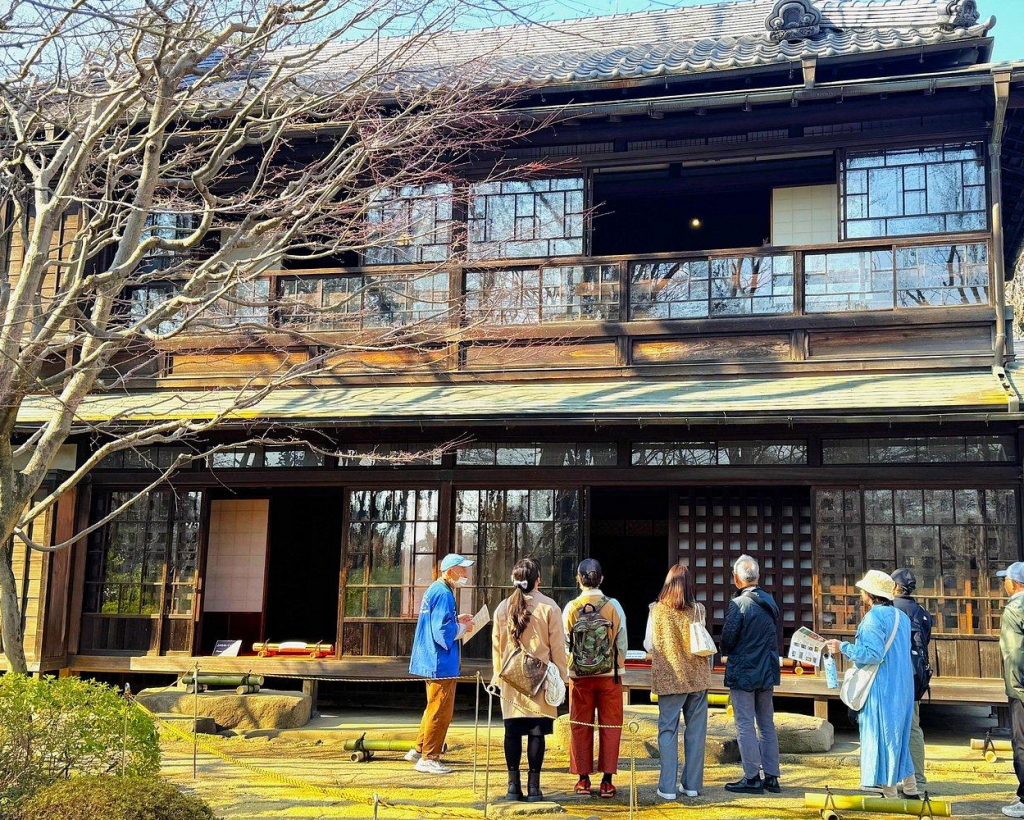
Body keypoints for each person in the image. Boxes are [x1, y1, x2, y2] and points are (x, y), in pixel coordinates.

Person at [825, 570, 914, 799]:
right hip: (902, 684)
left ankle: (888, 790)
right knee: (899, 736)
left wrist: (842, 647)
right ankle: (909, 787)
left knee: (881, 735)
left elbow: (872, 654)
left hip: (880, 685)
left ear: (869, 594)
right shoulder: (901, 617)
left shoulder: (874, 618)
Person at [491, 558, 569, 803]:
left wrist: (497, 675)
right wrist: (563, 678)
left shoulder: (502, 608)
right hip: (540, 679)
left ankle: (513, 787)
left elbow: (496, 648)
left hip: (511, 679)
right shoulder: (550, 607)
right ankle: (534, 788)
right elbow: (557, 648)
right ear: (538, 580)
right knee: (537, 734)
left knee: (512, 733)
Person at [643, 563, 710, 801]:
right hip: (697, 679)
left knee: (668, 730)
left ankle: (667, 787)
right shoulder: (699, 610)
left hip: (669, 678)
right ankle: (691, 785)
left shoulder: (656, 610)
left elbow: (649, 645)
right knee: (696, 732)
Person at [563, 558, 629, 799]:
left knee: (580, 725)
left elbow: (565, 643)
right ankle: (607, 781)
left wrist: (573, 665)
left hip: (580, 676)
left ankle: (582, 779)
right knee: (611, 726)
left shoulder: (571, 607)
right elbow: (621, 641)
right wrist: (617, 665)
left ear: (579, 580)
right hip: (609, 676)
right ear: (601, 579)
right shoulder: (614, 606)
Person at [407, 553, 476, 775]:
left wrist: (457, 621)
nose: (465, 574)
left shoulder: (435, 590)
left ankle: (419, 749)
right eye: (462, 569)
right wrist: (464, 628)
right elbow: (442, 631)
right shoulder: (444, 593)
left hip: (430, 657)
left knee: (433, 706)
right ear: (450, 570)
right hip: (440, 661)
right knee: (441, 710)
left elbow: (439, 623)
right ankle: (430, 757)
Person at [720, 554, 781, 795]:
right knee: (766, 723)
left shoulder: (739, 604)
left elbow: (728, 638)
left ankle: (752, 777)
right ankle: (772, 777)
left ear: (736, 578)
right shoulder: (770, 601)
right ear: (758, 576)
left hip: (744, 671)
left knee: (745, 724)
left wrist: (725, 650)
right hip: (766, 670)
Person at [891, 567, 932, 795]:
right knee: (914, 727)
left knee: (893, 726)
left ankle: (894, 777)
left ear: (895, 587)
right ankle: (918, 777)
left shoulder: (890, 610)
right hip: (917, 676)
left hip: (896, 674)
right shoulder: (923, 612)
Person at [998, 562, 1024, 818]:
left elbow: (1014, 653)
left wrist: (1017, 689)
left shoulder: (1015, 608)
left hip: (1022, 687)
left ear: (1014, 583)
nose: (1003, 583)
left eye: (1004, 579)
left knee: (1022, 743)